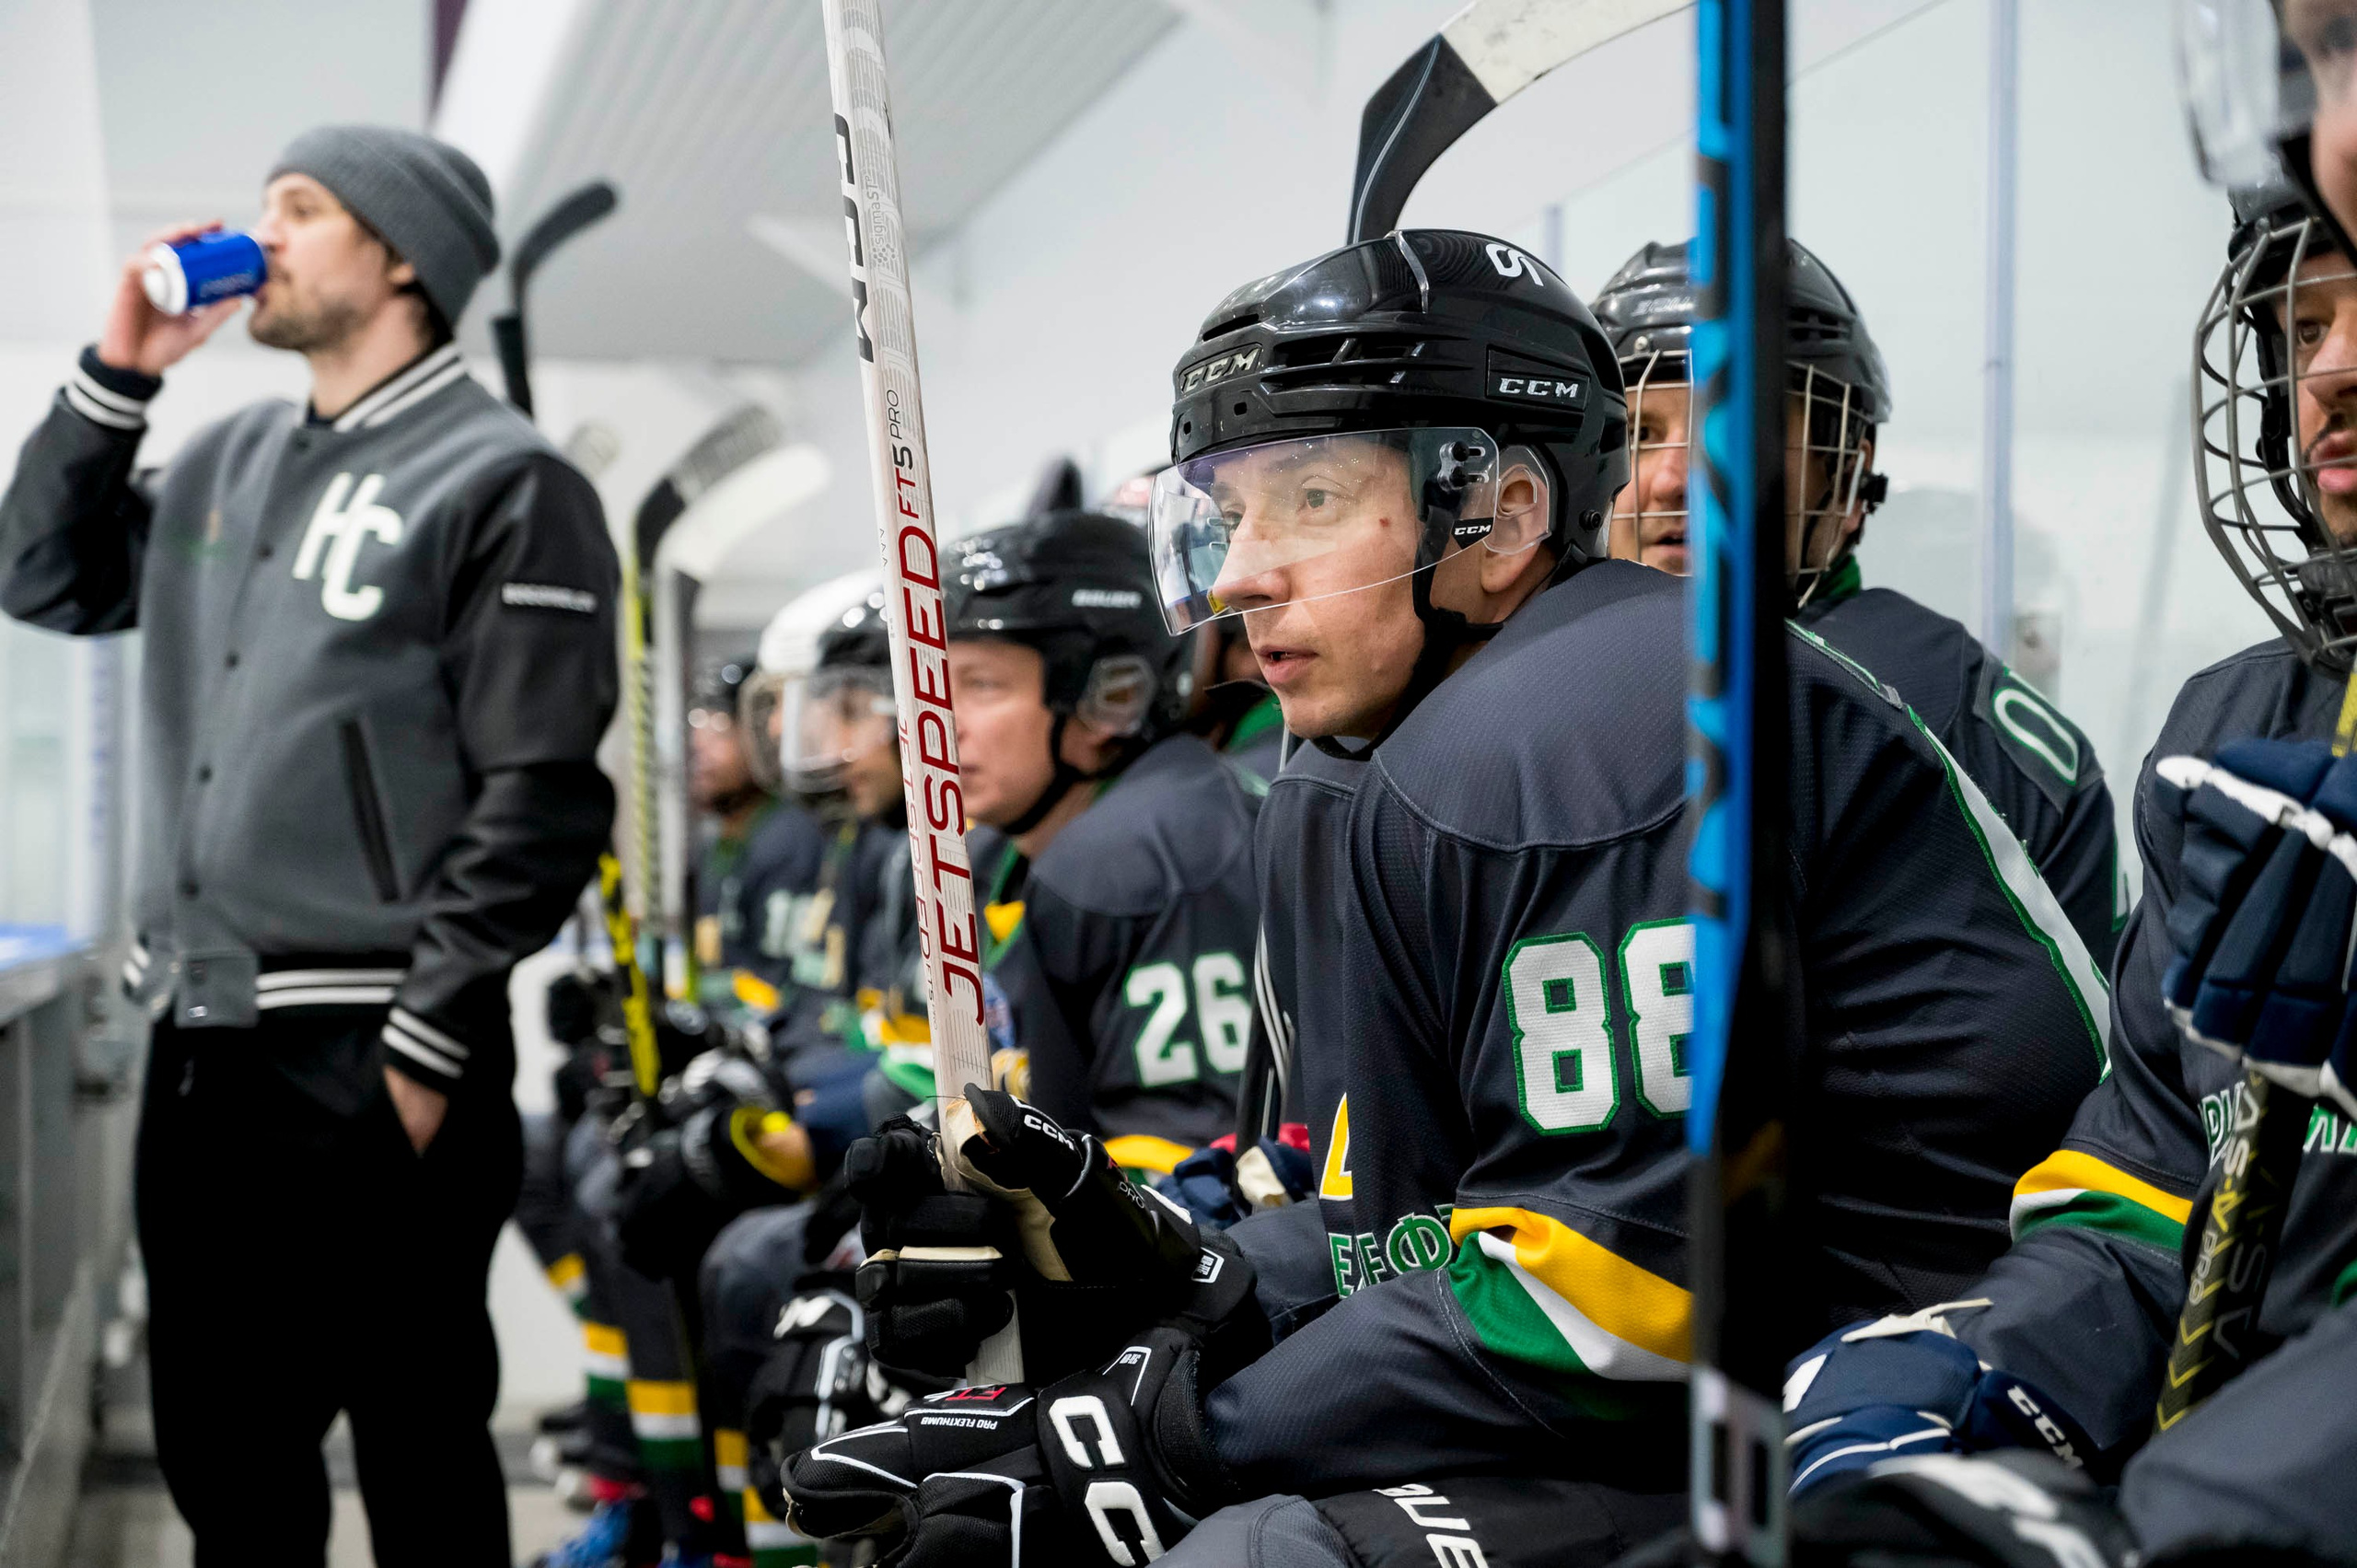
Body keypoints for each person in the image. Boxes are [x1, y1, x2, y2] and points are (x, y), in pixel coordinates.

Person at [777, 227, 2111, 1566]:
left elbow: (1619, 1291)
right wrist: (1181, 1261)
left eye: (1306, 496)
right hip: (1741, 1378)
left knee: (1253, 1556)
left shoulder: (1579, 732)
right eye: (1232, 508)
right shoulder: (1463, 732)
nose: (1239, 570)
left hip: (1898, 1406)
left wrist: (1175, 1430)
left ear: (1504, 514)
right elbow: (1425, 1223)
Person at [0, 125, 617, 1565]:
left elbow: (539, 795)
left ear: (401, 254)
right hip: (199, 1039)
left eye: (302, 208)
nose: (262, 234)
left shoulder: (506, 478)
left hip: (375, 1049)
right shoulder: (226, 458)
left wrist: (425, 1040)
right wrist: (123, 370)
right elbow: (39, 569)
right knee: (229, 1461)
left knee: (417, 1451)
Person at [1779, 180, 2357, 1565]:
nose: (2332, 370)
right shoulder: (2238, 725)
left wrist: (2216, 1491)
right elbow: (2154, 1175)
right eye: (2305, 322)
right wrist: (1990, 1362)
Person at [1591, 237, 2122, 964]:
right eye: (1636, 434)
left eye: (1732, 427)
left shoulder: (1944, 716)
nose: (1672, 479)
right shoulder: (1532, 695)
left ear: (1845, 473)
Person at [943, 509, 1264, 1158]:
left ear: (1110, 696)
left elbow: (1189, 1184)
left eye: (980, 683)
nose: (942, 721)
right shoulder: (996, 852)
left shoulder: (1155, 862)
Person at [688, 652, 823, 1001]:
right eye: (697, 725)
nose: (700, 746)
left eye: (720, 728)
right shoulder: (718, 842)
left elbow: (780, 980)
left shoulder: (790, 838)